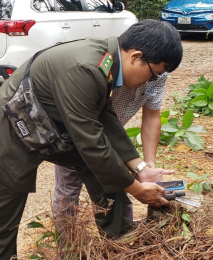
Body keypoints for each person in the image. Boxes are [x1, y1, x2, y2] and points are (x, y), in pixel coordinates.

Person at [0, 20, 182, 260]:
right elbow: (92, 143)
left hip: (44, 133)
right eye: (155, 73)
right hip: (6, 140)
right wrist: (135, 188)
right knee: (0, 227)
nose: (152, 82)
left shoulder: (106, 62)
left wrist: (139, 168)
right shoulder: (86, 67)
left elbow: (105, 118)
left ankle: (121, 258)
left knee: (108, 181)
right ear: (138, 57)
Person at [52, 68, 170, 226]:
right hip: (78, 133)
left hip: (114, 139)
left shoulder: (159, 73)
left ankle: (123, 241)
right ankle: (67, 246)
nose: (150, 80)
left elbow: (151, 115)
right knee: (68, 192)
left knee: (119, 188)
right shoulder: (108, 69)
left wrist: (148, 166)